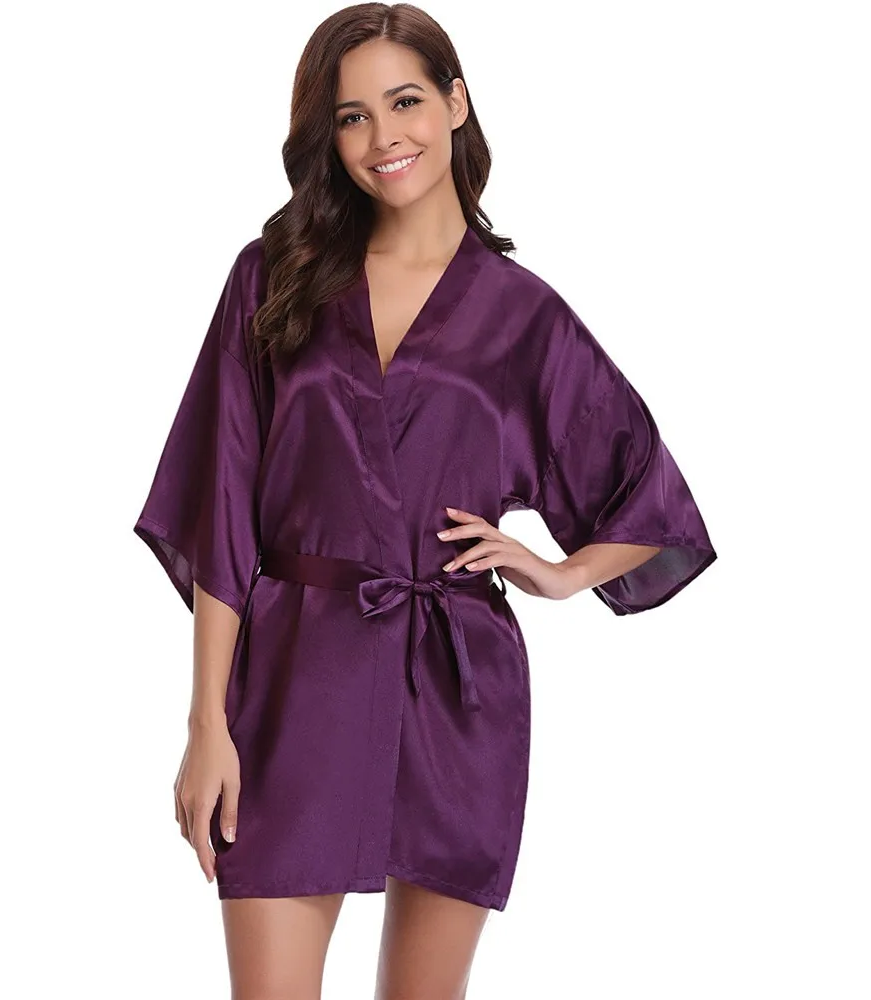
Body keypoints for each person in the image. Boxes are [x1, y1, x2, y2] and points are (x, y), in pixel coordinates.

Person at [133, 4, 717, 997]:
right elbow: (218, 509)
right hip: (297, 674)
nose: (382, 137)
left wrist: (562, 571)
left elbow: (648, 496)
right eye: (350, 117)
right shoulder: (274, 280)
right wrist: (205, 724)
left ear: (455, 102)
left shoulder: (525, 316)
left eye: (404, 101)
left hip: (458, 685)